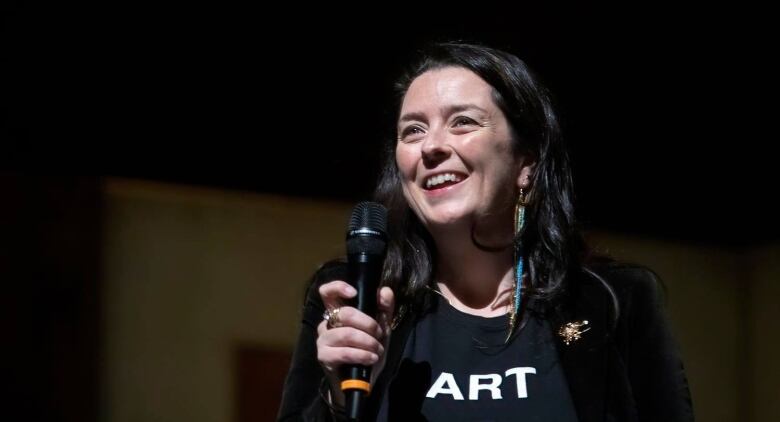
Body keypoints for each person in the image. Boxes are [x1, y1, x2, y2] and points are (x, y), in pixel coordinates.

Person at [278, 42, 693, 421]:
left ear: (525, 161)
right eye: (413, 130)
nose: (430, 147)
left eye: (462, 122)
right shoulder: (355, 299)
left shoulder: (614, 301)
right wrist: (336, 395)